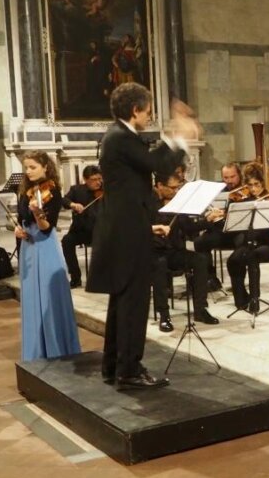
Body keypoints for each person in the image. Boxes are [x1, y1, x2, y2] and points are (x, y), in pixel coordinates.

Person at [87, 82, 194, 390]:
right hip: (126, 235)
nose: (149, 117)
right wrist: (180, 136)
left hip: (125, 230)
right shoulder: (121, 137)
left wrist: (147, 227)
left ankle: (114, 366)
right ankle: (130, 371)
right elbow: (158, 165)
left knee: (121, 302)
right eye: (147, 111)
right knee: (133, 302)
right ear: (135, 110)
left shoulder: (118, 137)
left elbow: (131, 189)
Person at [16, 151, 81, 361]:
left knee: (48, 300)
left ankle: (57, 350)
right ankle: (36, 353)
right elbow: (20, 218)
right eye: (26, 167)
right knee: (32, 298)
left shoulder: (53, 190)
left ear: (45, 167)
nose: (28, 172)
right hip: (28, 246)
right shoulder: (25, 190)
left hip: (45, 246)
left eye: (32, 167)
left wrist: (38, 213)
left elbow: (45, 227)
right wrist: (17, 229)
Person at [149, 167, 221, 332]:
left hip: (174, 252)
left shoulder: (178, 204)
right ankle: (164, 315)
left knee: (200, 260)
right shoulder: (147, 203)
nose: (176, 191)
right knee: (159, 265)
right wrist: (156, 227)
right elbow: (138, 228)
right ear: (159, 185)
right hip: (153, 252)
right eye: (172, 188)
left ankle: (200, 309)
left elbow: (189, 229)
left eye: (177, 188)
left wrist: (208, 220)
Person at [227, 163, 269, 313]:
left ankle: (255, 298)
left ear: (262, 183)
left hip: (267, 245)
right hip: (249, 243)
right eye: (250, 185)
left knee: (251, 256)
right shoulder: (246, 202)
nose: (253, 189)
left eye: (256, 184)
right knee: (232, 260)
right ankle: (241, 298)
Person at [193, 162, 242, 290]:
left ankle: (238, 284)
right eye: (226, 178)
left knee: (243, 245)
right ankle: (211, 279)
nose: (229, 181)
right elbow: (208, 213)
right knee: (200, 242)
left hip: (239, 232)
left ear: (239, 175)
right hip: (221, 231)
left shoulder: (246, 188)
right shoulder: (217, 192)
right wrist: (211, 215)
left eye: (233, 177)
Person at [60, 165, 103, 288]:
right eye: (94, 179)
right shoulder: (76, 190)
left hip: (100, 232)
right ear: (85, 179)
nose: (98, 182)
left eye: (99, 179)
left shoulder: (106, 191)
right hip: (81, 232)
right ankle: (75, 277)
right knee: (67, 241)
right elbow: (64, 200)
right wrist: (73, 204)